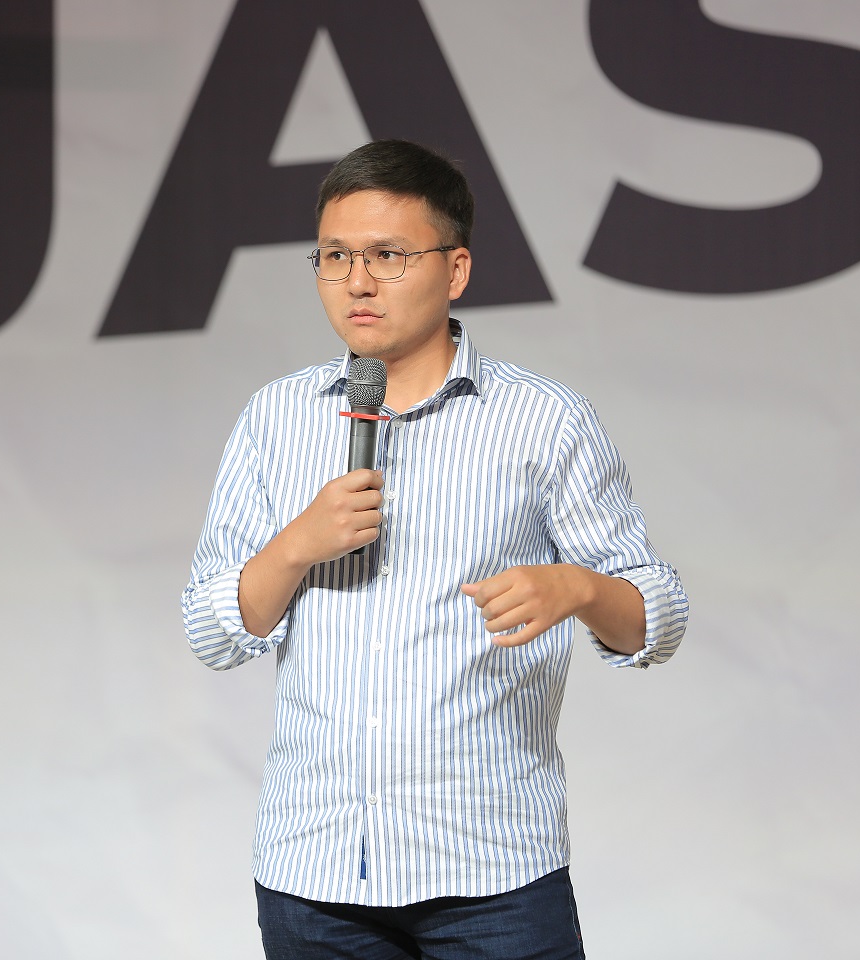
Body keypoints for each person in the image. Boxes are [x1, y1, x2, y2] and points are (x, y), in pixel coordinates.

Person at [182, 139, 688, 959]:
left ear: (455, 271)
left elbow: (656, 620)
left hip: (492, 873)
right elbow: (211, 632)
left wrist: (577, 589)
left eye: (388, 256)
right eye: (335, 256)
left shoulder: (543, 420)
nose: (357, 282)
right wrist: (296, 546)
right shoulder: (275, 418)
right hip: (314, 873)